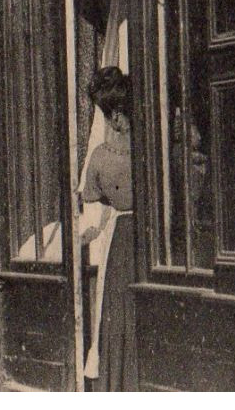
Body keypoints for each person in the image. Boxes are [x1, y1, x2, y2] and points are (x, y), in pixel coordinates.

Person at [78, 66, 138, 391]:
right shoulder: (147, 150)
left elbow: (92, 214)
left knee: (115, 316)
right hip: (147, 240)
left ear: (113, 116)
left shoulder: (101, 158)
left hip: (120, 242)